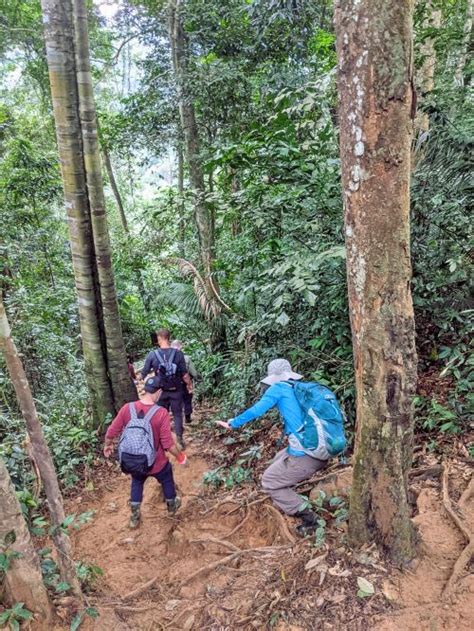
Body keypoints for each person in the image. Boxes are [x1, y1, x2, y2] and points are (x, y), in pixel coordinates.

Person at [217, 358, 328, 536]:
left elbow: (256, 410)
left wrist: (233, 423)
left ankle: (311, 520)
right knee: (278, 458)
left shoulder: (279, 388)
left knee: (269, 482)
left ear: (273, 377)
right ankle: (290, 496)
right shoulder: (301, 388)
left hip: (307, 453)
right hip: (321, 447)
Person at [103, 376, 187, 529]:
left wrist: (107, 445)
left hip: (134, 462)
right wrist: (181, 457)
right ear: (159, 392)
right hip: (157, 462)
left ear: (145, 391)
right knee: (167, 477)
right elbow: (168, 444)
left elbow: (111, 431)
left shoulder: (127, 408)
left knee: (137, 482)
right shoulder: (161, 413)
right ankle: (172, 506)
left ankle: (134, 517)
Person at [139, 328, 192, 449]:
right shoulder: (178, 354)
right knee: (178, 414)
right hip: (176, 390)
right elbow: (184, 374)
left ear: (159, 338)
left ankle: (163, 441)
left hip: (160, 391)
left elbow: (144, 372)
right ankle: (179, 439)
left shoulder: (153, 354)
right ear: (169, 338)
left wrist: (140, 379)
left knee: (162, 415)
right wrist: (189, 385)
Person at [171, 340, 199, 424]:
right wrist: (197, 378)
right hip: (184, 382)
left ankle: (177, 418)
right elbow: (193, 371)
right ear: (181, 347)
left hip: (172, 383)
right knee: (187, 398)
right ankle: (187, 417)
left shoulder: (167, 358)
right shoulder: (186, 358)